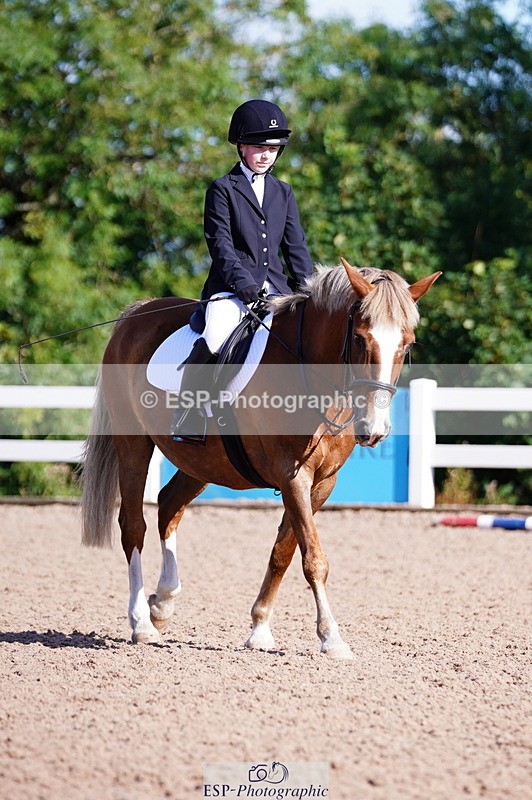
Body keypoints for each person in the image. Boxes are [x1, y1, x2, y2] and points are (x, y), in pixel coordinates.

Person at [171, 98, 314, 442]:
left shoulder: (283, 192)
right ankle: (188, 413)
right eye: (257, 147)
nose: (265, 155)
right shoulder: (222, 190)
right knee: (217, 335)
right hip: (232, 291)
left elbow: (295, 248)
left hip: (278, 293)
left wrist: (311, 290)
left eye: (272, 149)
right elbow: (220, 245)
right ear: (240, 146)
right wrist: (245, 286)